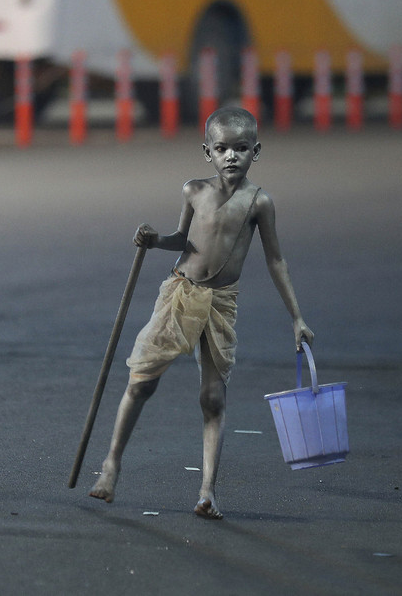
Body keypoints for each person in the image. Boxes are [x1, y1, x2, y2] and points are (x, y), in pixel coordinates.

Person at [88, 106, 314, 520]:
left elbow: (276, 261)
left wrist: (297, 316)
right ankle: (110, 466)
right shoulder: (194, 191)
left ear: (256, 152)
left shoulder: (259, 202)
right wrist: (155, 240)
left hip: (221, 302)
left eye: (241, 148)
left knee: (212, 397)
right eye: (222, 148)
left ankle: (208, 491)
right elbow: (182, 239)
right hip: (180, 293)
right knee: (142, 382)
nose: (231, 156)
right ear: (207, 151)